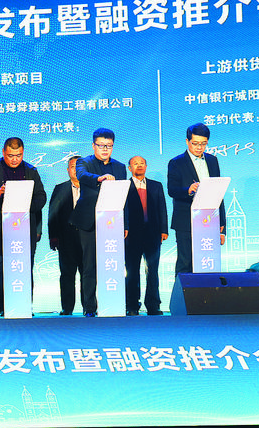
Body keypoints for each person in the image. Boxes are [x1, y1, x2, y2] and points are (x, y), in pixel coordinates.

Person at [0, 138, 46, 318]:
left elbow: (41, 197)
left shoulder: (31, 171)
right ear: (3, 152)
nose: (15, 159)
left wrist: (24, 205)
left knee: (23, 268)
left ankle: (23, 305)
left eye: (18, 155)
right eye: (10, 156)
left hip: (23, 231)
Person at [70, 128, 127, 317]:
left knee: (112, 264)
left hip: (113, 223)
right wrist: (100, 178)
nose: (105, 149)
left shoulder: (119, 167)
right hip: (89, 222)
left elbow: (123, 197)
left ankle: (113, 303)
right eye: (101, 145)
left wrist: (125, 224)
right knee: (89, 266)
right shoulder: (84, 162)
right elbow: (82, 175)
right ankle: (89, 307)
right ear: (93, 145)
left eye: (109, 146)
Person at [168, 123, 226, 275]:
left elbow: (218, 192)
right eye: (195, 143)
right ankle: (182, 291)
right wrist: (188, 190)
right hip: (186, 220)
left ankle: (208, 291)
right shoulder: (176, 162)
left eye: (203, 144)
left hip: (210, 220)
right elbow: (172, 190)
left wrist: (222, 224)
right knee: (185, 263)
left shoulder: (212, 161)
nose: (199, 148)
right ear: (187, 141)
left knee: (208, 262)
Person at [124, 156, 168, 316]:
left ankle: (153, 305)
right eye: (135, 164)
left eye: (142, 163)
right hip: (131, 234)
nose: (139, 166)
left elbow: (162, 208)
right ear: (130, 168)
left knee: (153, 270)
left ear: (146, 166)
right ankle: (132, 305)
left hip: (153, 233)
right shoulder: (124, 186)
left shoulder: (156, 186)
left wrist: (164, 229)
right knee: (132, 271)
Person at [48, 156, 84, 316]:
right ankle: (67, 308)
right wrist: (53, 236)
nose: (75, 170)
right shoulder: (60, 188)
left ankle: (89, 307)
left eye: (79, 166)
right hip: (66, 239)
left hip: (88, 239)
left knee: (88, 274)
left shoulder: (93, 187)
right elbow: (53, 214)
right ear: (68, 170)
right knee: (67, 274)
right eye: (72, 167)